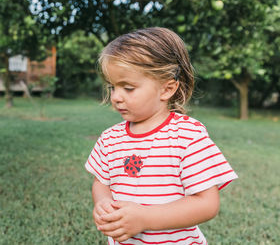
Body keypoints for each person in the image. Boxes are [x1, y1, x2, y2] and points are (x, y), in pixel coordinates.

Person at [84, 27, 238, 245]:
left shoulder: (187, 136)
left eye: (128, 88)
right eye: (112, 87)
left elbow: (207, 203)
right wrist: (103, 203)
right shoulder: (110, 139)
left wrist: (145, 218)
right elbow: (101, 183)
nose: (116, 97)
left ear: (167, 89)